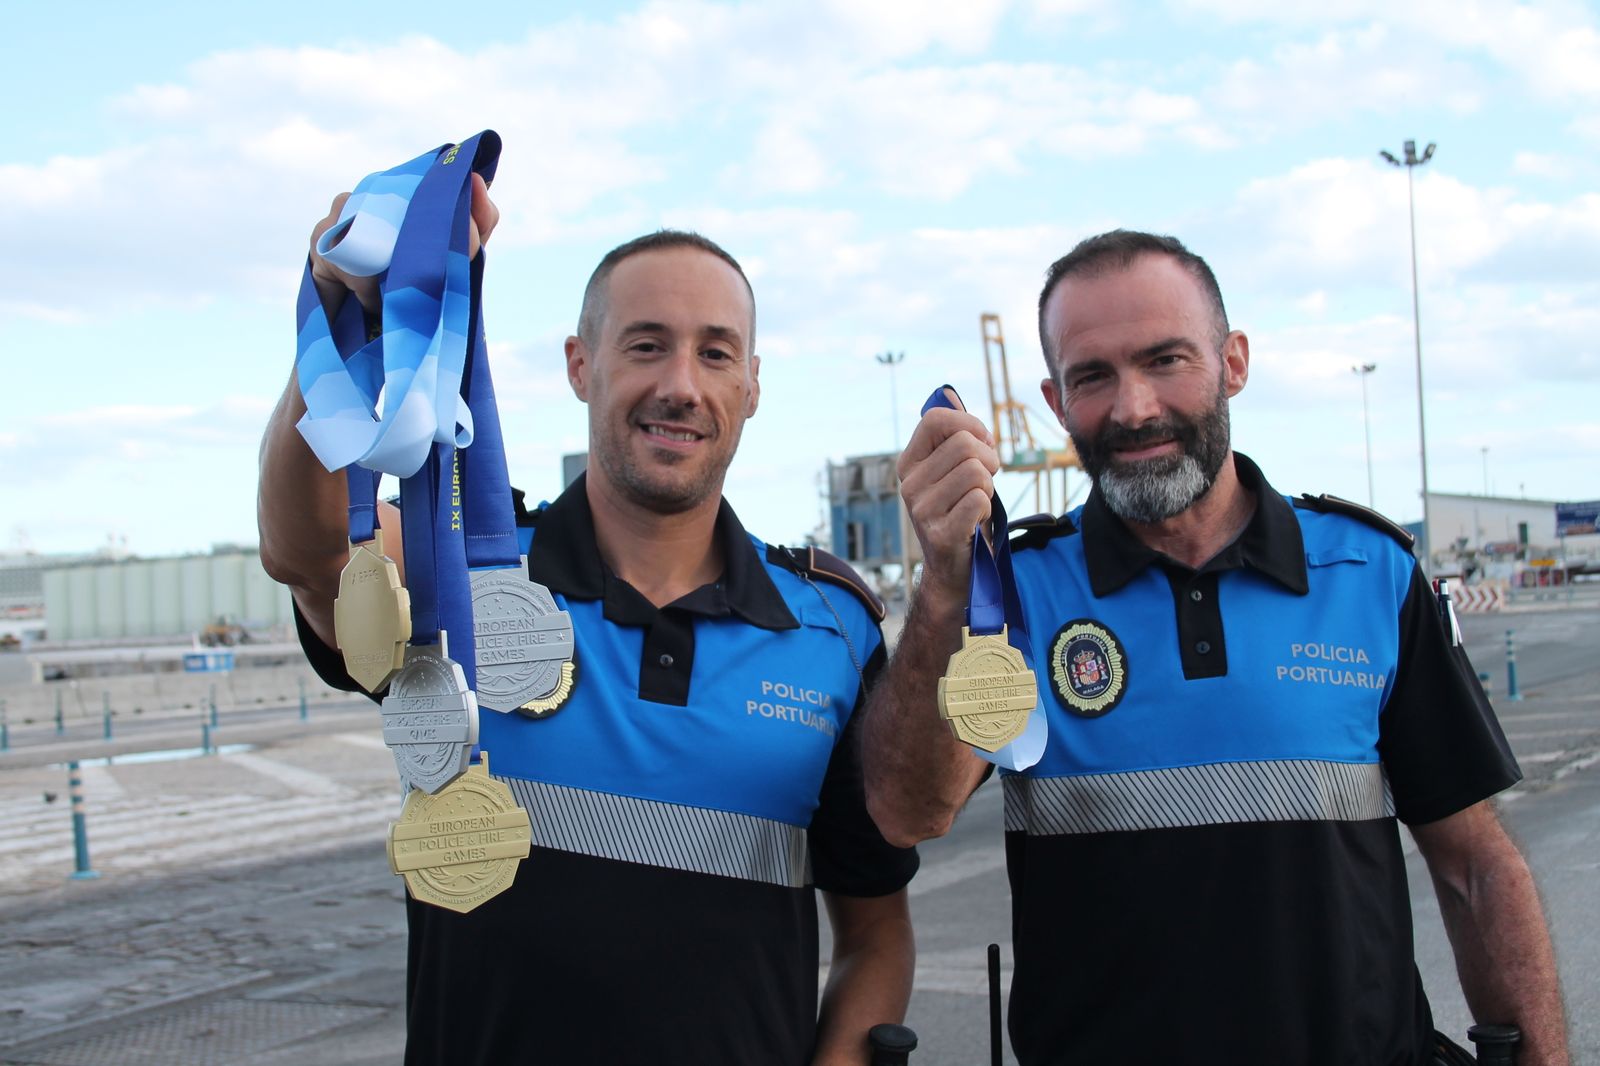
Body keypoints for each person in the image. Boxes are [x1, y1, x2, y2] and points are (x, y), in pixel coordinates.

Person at [864, 229, 1569, 1065]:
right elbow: (911, 813)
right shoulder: (1015, 596)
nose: (1133, 409)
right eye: (1094, 376)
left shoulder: (1366, 572)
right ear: (1056, 403)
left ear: (1233, 362)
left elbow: (1475, 868)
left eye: (1166, 360)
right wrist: (949, 586)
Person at [258, 179, 917, 1065]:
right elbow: (307, 555)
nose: (681, 385)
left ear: (752, 385)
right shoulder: (458, 577)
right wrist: (343, 322)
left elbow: (876, 934)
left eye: (716, 353)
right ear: (580, 364)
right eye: (646, 346)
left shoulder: (832, 629)